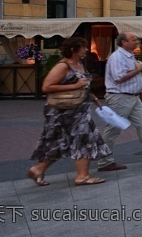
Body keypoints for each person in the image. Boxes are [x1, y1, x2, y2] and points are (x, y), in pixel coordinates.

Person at [27, 37, 110, 187]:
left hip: (79, 109)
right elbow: (46, 87)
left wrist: (95, 99)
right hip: (64, 111)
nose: (86, 49)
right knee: (84, 139)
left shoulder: (78, 64)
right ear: (73, 49)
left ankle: (38, 169)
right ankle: (82, 176)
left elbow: (84, 86)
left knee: (60, 142)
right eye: (83, 47)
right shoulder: (63, 66)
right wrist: (75, 86)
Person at [97, 32, 142, 172]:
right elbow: (119, 78)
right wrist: (138, 70)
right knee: (113, 129)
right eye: (133, 39)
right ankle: (105, 161)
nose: (136, 41)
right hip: (120, 97)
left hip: (133, 97)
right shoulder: (117, 57)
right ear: (124, 42)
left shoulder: (129, 55)